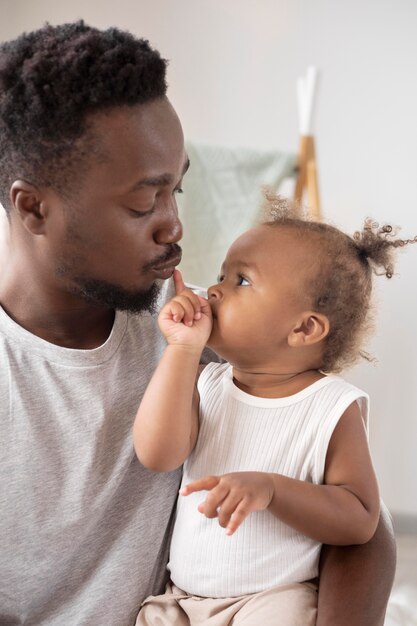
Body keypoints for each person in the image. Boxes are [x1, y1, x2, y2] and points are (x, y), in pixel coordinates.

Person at [0, 20, 395, 626]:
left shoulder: (194, 322)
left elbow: (363, 525)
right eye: (143, 203)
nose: (174, 226)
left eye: (176, 190)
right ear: (33, 208)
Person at [134, 206, 415, 625]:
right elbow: (157, 454)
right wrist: (182, 349)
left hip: (271, 603)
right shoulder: (204, 382)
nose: (213, 290)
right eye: (221, 274)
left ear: (304, 329)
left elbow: (359, 519)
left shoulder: (331, 407)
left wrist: (272, 490)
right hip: (182, 601)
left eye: (241, 281)